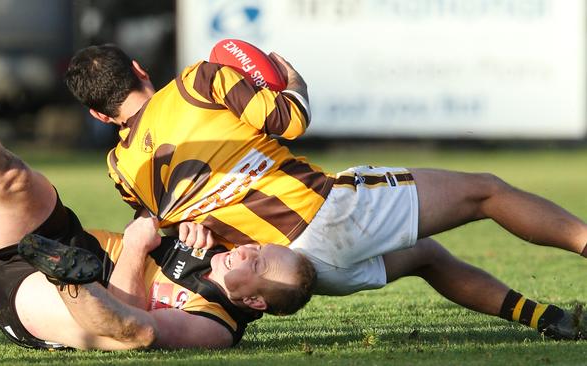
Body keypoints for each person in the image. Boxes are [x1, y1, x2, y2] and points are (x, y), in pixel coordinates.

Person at [64, 43, 587, 341]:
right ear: (139, 70)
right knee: (486, 192)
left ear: (97, 113)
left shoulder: (118, 166)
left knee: (426, 257)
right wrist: (293, 80)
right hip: (326, 217)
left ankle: (547, 319)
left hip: (286, 270)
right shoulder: (198, 81)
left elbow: (165, 230)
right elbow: (289, 121)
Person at [0, 90, 316, 350]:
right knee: (11, 178)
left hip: (42, 301)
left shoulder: (215, 325)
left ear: (254, 300)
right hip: (68, 241)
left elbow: (140, 328)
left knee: (123, 332)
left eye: (259, 261)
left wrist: (136, 243)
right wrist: (179, 226)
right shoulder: (217, 244)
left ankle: (68, 278)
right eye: (259, 247)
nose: (249, 249)